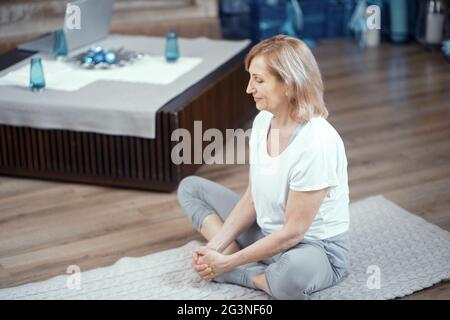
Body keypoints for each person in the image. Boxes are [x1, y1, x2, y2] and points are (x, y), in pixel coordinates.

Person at [177, 35, 351, 300]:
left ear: (290, 85)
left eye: (259, 80)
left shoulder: (317, 143)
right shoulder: (262, 122)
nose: (249, 89)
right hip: (268, 234)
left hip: (315, 250)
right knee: (191, 189)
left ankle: (242, 273)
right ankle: (245, 264)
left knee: (290, 273)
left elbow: (293, 233)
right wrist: (215, 248)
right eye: (251, 78)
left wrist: (227, 264)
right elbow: (252, 196)